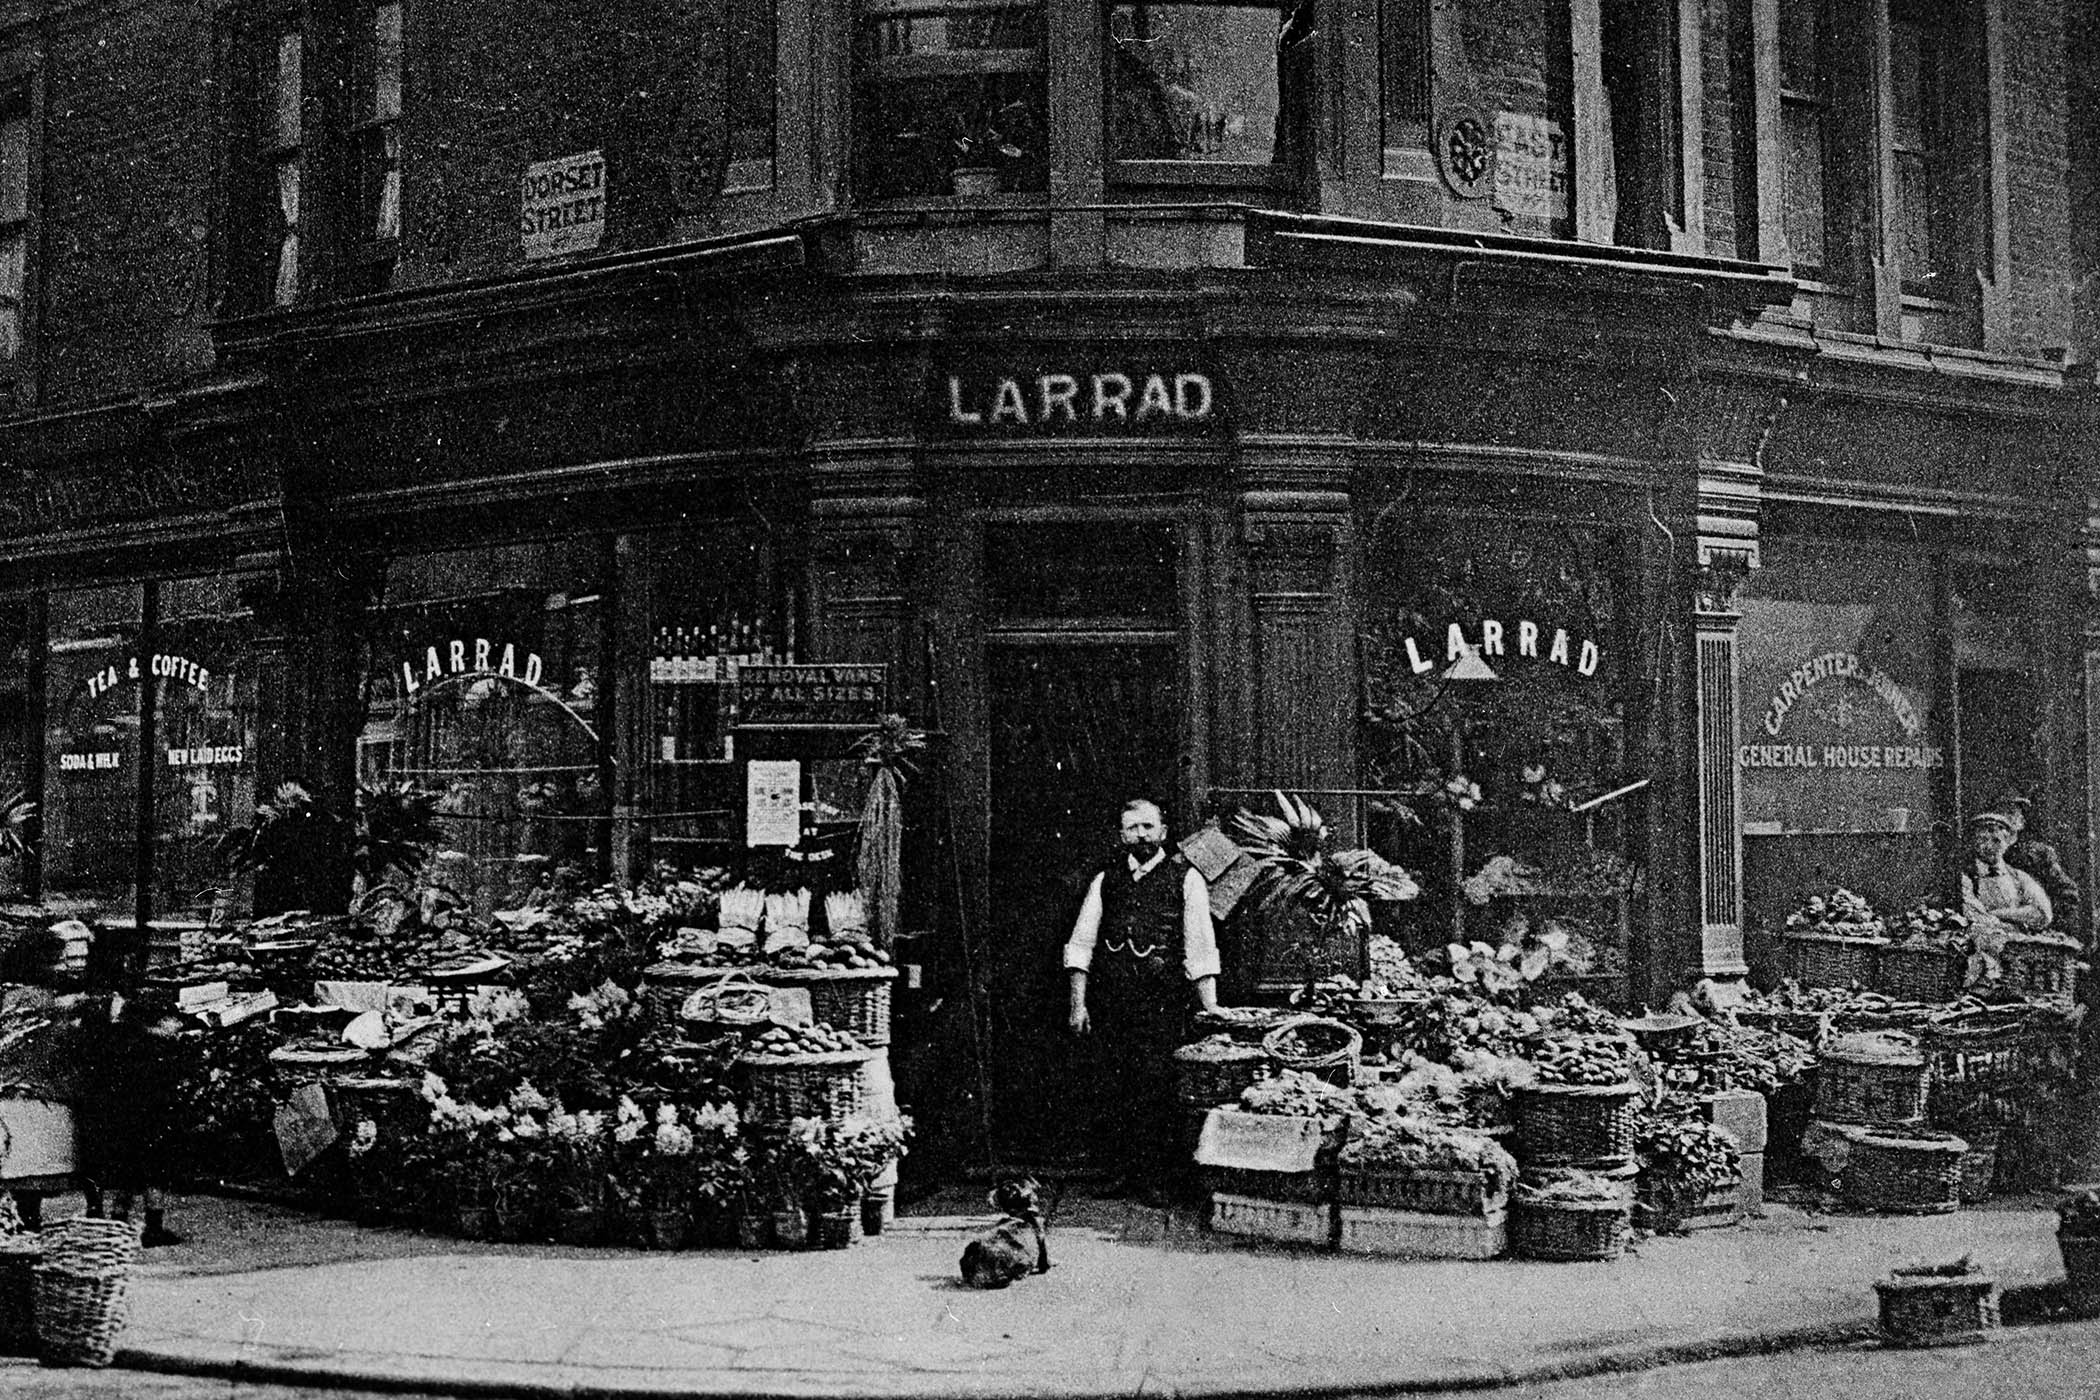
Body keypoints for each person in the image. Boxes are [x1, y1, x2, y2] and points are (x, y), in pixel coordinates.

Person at [1063, 798, 1221, 1204]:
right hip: (1114, 1005)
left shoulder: (1186, 879)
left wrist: (1212, 1016)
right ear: (1121, 835)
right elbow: (1081, 945)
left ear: (1163, 832)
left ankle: (1156, 1180)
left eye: (1148, 827)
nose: (1141, 835)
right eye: (1132, 828)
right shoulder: (1106, 879)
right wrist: (1079, 1004)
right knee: (1115, 1087)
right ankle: (1119, 1174)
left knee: (1158, 1089)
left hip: (1162, 1007)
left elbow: (1201, 950)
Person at [2000, 795, 2082, 945]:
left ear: (2021, 822)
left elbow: (2067, 893)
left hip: (2036, 934)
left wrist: (2052, 929)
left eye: (2011, 814)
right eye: (2001, 814)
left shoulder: (2038, 854)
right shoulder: (1982, 857)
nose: (2005, 820)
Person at [1961, 810, 2053, 934]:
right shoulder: (1966, 877)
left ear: (2007, 843)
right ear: (1973, 843)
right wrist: (2020, 917)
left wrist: (1997, 914)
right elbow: (1975, 916)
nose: (1989, 847)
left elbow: (2043, 914)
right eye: (1983, 840)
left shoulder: (2018, 877)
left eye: (1996, 840)